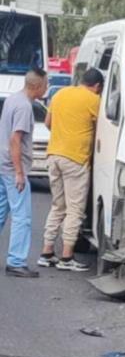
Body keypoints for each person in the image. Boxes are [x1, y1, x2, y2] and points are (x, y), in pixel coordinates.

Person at [38, 68, 103, 272]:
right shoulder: (93, 100)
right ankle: (67, 257)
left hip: (53, 155)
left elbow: (48, 123)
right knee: (75, 209)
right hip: (75, 159)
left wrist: (63, 135)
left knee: (58, 206)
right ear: (98, 87)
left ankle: (46, 253)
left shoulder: (61, 94)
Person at [0, 68, 48, 278]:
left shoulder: (12, 100)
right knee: (22, 217)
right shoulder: (24, 107)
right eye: (46, 84)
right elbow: (15, 139)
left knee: (1, 213)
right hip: (12, 169)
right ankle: (16, 261)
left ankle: (15, 260)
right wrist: (20, 172)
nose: (47, 88)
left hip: (3, 165)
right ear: (36, 86)